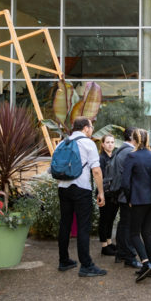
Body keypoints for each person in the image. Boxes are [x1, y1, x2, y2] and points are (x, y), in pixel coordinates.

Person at [57, 117, 107, 277]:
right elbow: (97, 170)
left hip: (63, 187)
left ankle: (64, 260)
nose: (92, 130)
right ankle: (86, 265)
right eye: (91, 127)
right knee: (83, 226)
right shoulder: (88, 143)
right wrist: (100, 192)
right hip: (81, 188)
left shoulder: (62, 142)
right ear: (86, 128)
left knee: (64, 224)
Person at [121, 128, 151, 282]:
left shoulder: (132, 156)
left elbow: (125, 182)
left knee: (134, 233)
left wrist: (129, 198)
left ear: (134, 140)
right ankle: (150, 265)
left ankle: (145, 262)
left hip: (137, 199)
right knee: (147, 233)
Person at [112, 127, 141, 268]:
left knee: (123, 224)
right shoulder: (130, 152)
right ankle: (129, 256)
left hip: (121, 193)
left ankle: (120, 253)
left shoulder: (120, 149)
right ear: (132, 136)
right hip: (128, 194)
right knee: (129, 226)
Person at [98, 134, 118, 257]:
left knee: (111, 219)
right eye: (108, 142)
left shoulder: (115, 156)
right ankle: (104, 246)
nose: (110, 144)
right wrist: (101, 194)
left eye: (112, 142)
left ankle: (109, 242)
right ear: (103, 144)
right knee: (104, 219)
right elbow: (99, 177)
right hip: (104, 193)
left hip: (113, 193)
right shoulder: (101, 158)